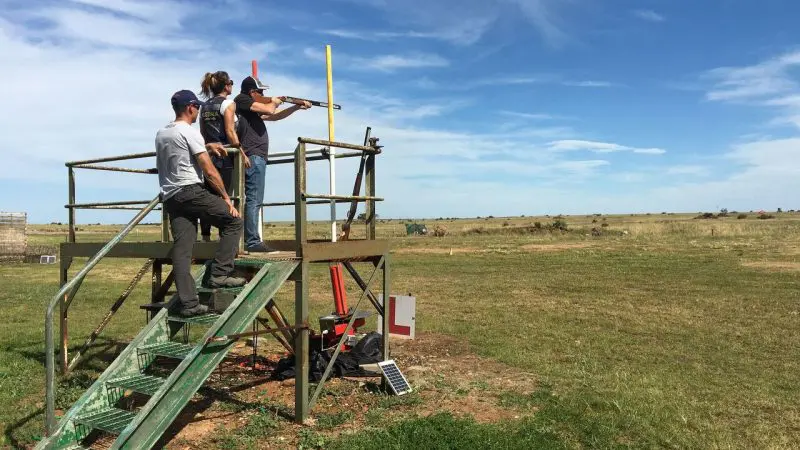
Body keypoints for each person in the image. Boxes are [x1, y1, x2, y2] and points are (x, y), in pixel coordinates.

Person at [156, 89, 246, 317]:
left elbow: (181, 153)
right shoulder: (190, 132)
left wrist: (207, 146)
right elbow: (209, 170)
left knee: (183, 250)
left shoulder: (162, 133)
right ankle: (220, 274)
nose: (197, 111)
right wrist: (226, 198)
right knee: (233, 222)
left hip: (171, 197)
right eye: (196, 107)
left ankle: (189, 304)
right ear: (190, 108)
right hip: (191, 191)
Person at [233, 76, 310, 252]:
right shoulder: (243, 100)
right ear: (252, 92)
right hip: (252, 156)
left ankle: (249, 240)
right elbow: (270, 108)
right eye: (260, 92)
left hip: (255, 156)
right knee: (253, 199)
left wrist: (295, 106)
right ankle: (252, 242)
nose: (263, 94)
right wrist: (275, 101)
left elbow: (274, 116)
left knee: (253, 199)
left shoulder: (249, 107)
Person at [197, 71, 250, 242]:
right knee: (226, 196)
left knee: (207, 197)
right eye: (231, 83)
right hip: (225, 155)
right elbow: (230, 131)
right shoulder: (228, 103)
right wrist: (242, 153)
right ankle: (224, 238)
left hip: (207, 154)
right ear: (227, 86)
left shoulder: (204, 106)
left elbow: (202, 133)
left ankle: (205, 238)